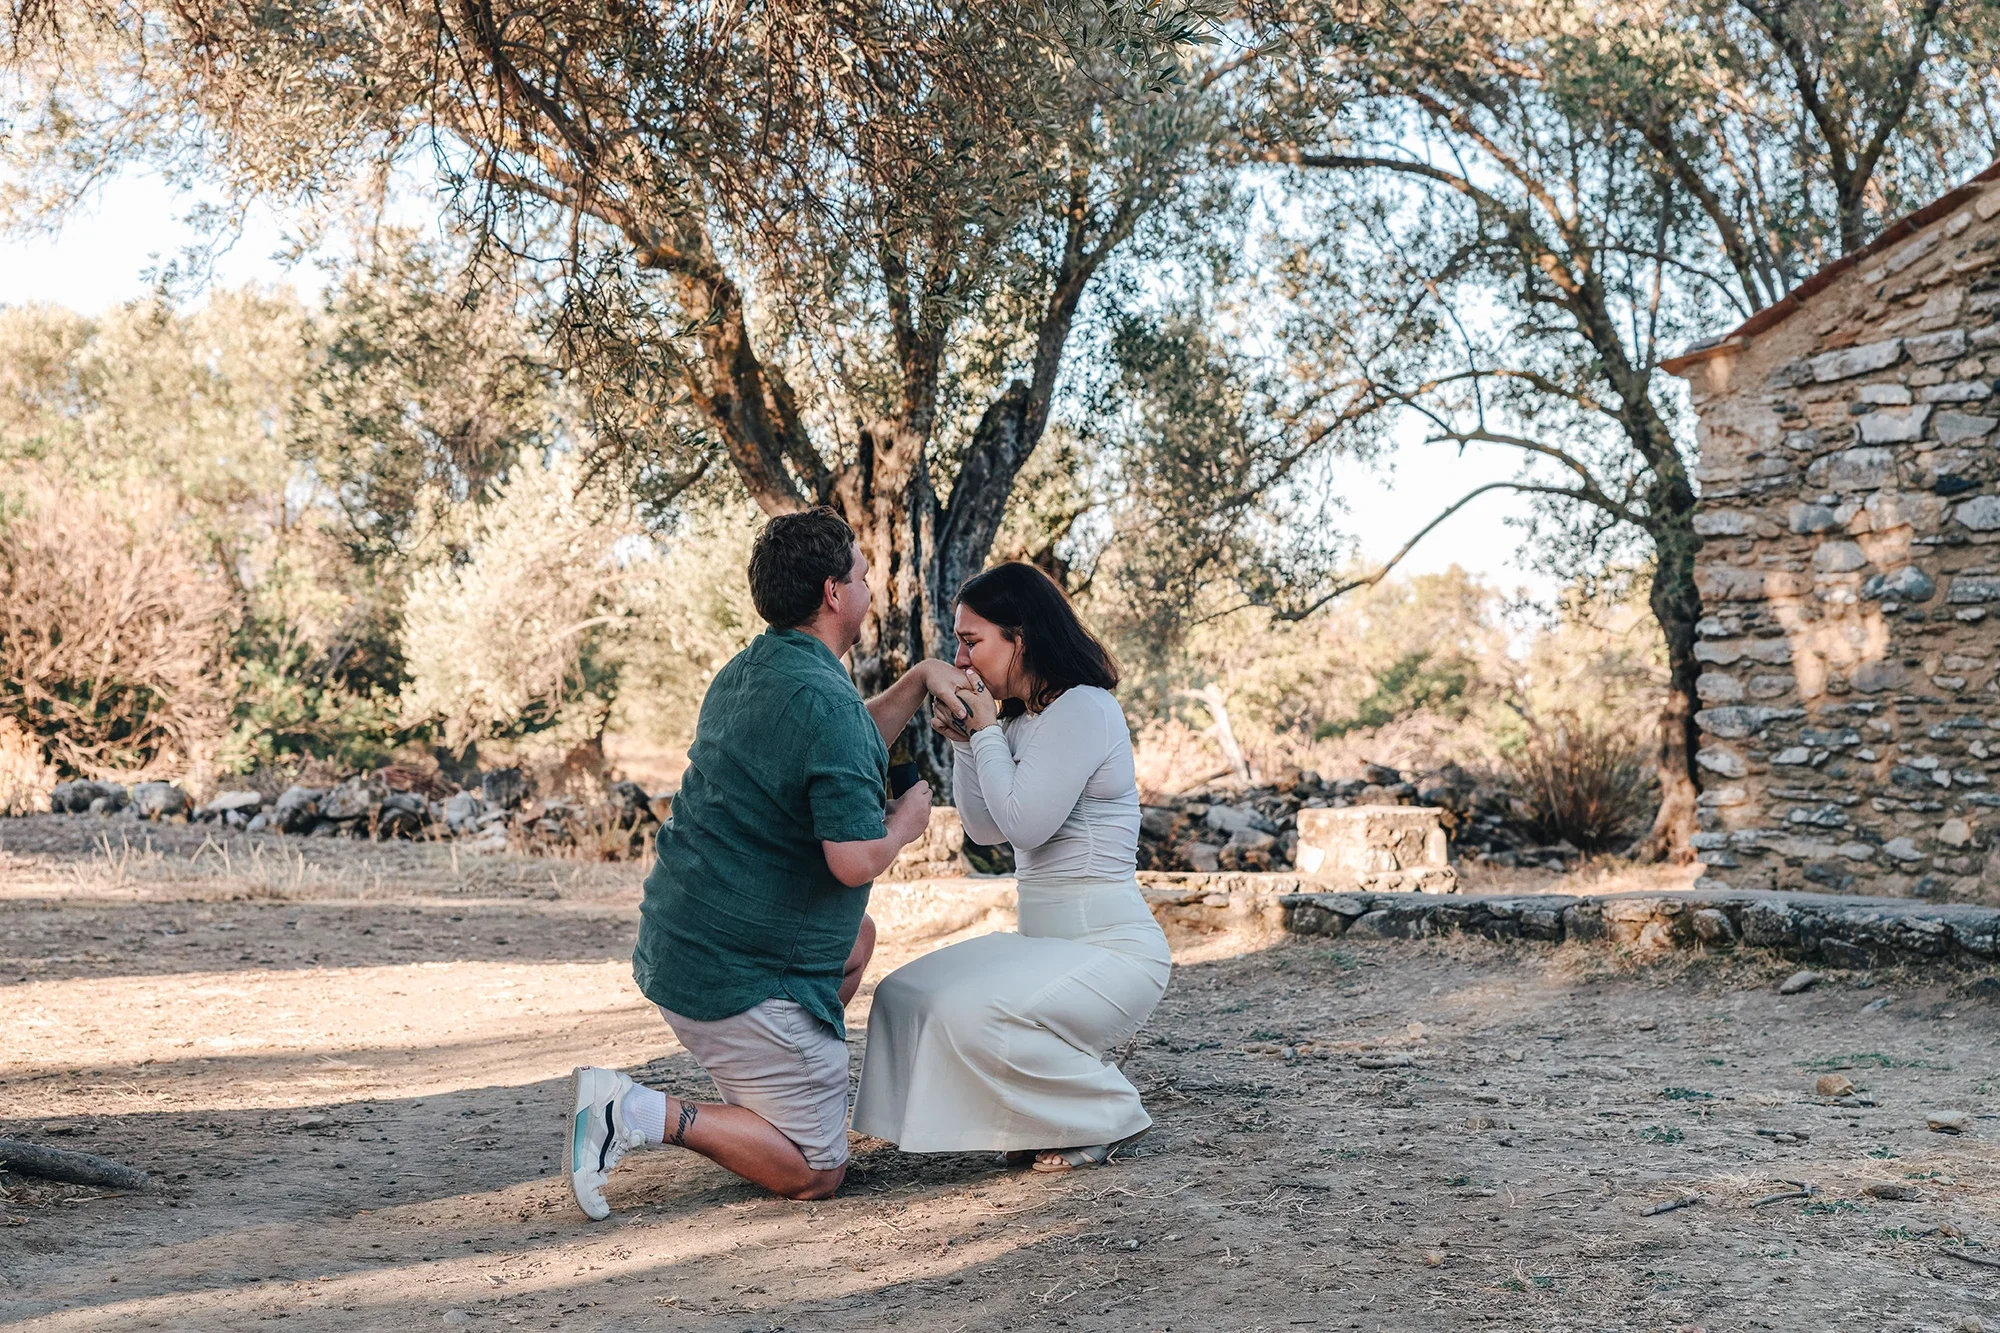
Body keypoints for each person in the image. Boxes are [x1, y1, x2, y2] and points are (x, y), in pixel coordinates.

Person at [567, 506, 969, 1217]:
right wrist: (906, 825)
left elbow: (843, 739)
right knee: (818, 1169)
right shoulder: (827, 703)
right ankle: (635, 1111)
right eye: (863, 575)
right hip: (731, 974)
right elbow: (850, 861)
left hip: (681, 948)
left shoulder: (755, 671)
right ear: (833, 593)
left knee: (858, 942)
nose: (871, 586)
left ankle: (768, 1084)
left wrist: (918, 679)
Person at [852, 562, 1171, 1171]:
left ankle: (1106, 1111)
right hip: (1045, 948)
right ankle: (1039, 1117)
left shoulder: (1085, 708)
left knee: (966, 1011)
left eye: (972, 642)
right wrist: (969, 745)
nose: (962, 661)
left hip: (1113, 952)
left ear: (1019, 639)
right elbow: (987, 829)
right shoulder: (1022, 720)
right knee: (903, 994)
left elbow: (1024, 824)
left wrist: (985, 734)